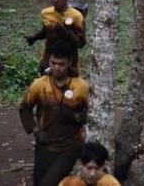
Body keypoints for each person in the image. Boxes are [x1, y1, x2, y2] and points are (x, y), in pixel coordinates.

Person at [19, 41, 89, 186]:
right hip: (45, 143)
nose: (56, 67)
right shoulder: (39, 85)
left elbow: (94, 114)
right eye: (53, 63)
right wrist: (36, 130)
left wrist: (74, 116)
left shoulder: (81, 87)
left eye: (61, 64)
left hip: (70, 147)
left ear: (70, 62)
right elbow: (24, 108)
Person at [26, 0, 86, 75]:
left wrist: (66, 32)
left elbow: (81, 43)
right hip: (48, 59)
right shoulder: (46, 13)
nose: (55, 0)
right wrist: (34, 38)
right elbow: (46, 30)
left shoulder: (76, 16)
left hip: (69, 63)